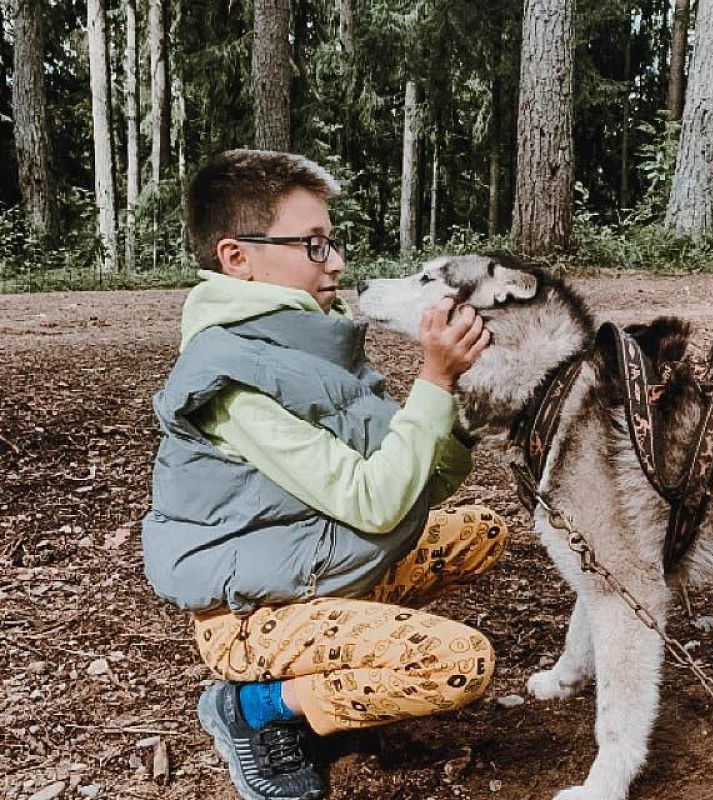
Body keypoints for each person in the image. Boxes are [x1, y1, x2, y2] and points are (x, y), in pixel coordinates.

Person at [141, 149, 505, 800]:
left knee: (478, 531)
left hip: (305, 571)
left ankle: (337, 656)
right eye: (311, 246)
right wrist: (433, 380)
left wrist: (456, 404)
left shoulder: (309, 343)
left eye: (331, 242)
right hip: (250, 617)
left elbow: (421, 480)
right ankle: (252, 710)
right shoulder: (232, 381)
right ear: (237, 258)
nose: (335, 261)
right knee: (460, 663)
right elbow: (375, 504)